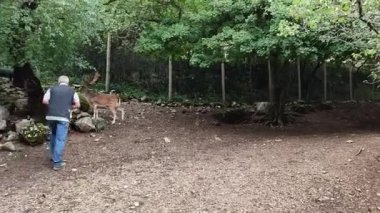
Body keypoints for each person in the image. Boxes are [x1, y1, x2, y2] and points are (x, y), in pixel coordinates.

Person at [42, 75, 80, 171]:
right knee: (60, 139)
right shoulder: (72, 91)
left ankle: (53, 156)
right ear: (67, 82)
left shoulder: (51, 89)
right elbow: (78, 104)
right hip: (63, 117)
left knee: (53, 135)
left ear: (59, 82)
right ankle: (57, 163)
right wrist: (68, 107)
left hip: (50, 116)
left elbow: (45, 101)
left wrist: (53, 106)